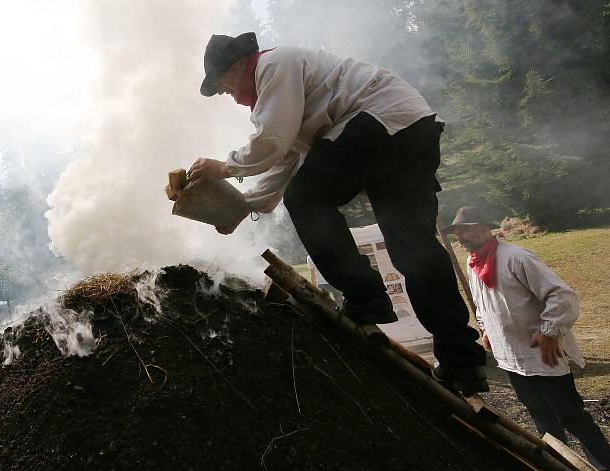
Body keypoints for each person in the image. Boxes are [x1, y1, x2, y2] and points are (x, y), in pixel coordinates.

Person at [189, 32, 486, 393]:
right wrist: (243, 206)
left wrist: (224, 167)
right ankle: (461, 360)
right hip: (410, 130)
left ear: (237, 64)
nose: (230, 97)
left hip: (376, 119)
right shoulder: (282, 91)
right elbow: (288, 161)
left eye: (224, 87)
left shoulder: (273, 65)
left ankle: (365, 297)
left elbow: (272, 142)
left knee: (306, 198)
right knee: (413, 246)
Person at [443, 206, 610, 471]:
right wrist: (486, 328)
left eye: (468, 229)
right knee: (541, 415)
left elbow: (562, 296)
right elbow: (483, 304)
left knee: (571, 415)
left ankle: (606, 469)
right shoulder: (471, 261)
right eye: (458, 232)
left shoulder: (517, 258)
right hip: (511, 356)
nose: (462, 237)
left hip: (543, 354)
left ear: (486, 229)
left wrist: (549, 332)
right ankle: (563, 468)